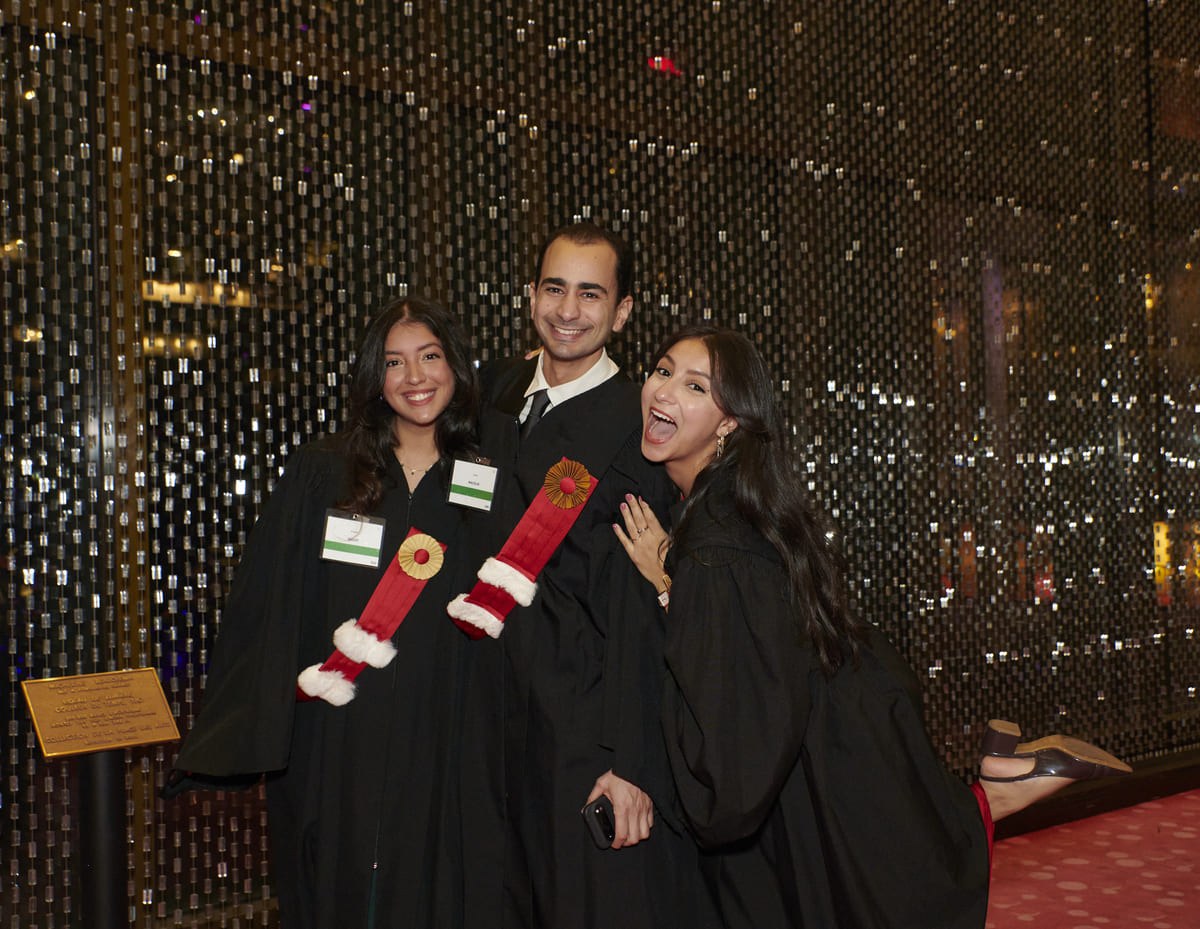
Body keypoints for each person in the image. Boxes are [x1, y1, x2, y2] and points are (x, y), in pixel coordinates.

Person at [614, 325, 1131, 929]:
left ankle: (995, 793)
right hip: (840, 722)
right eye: (662, 370)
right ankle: (998, 787)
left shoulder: (712, 544)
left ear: (729, 423)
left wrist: (669, 584)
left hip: (808, 755)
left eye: (695, 385)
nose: (664, 391)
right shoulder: (742, 501)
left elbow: (732, 733)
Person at [167, 296, 482, 929]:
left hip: (444, 724)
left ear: (456, 366)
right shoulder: (323, 470)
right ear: (374, 376)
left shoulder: (485, 474)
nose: (415, 378)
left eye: (429, 357)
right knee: (333, 880)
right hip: (337, 732)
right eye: (394, 363)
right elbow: (271, 598)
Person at [450, 223, 710, 928]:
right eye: (555, 288)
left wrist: (630, 758)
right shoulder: (492, 397)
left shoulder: (638, 427)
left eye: (590, 293)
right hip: (487, 716)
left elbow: (638, 606)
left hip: (582, 727)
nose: (569, 309)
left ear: (622, 312)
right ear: (530, 295)